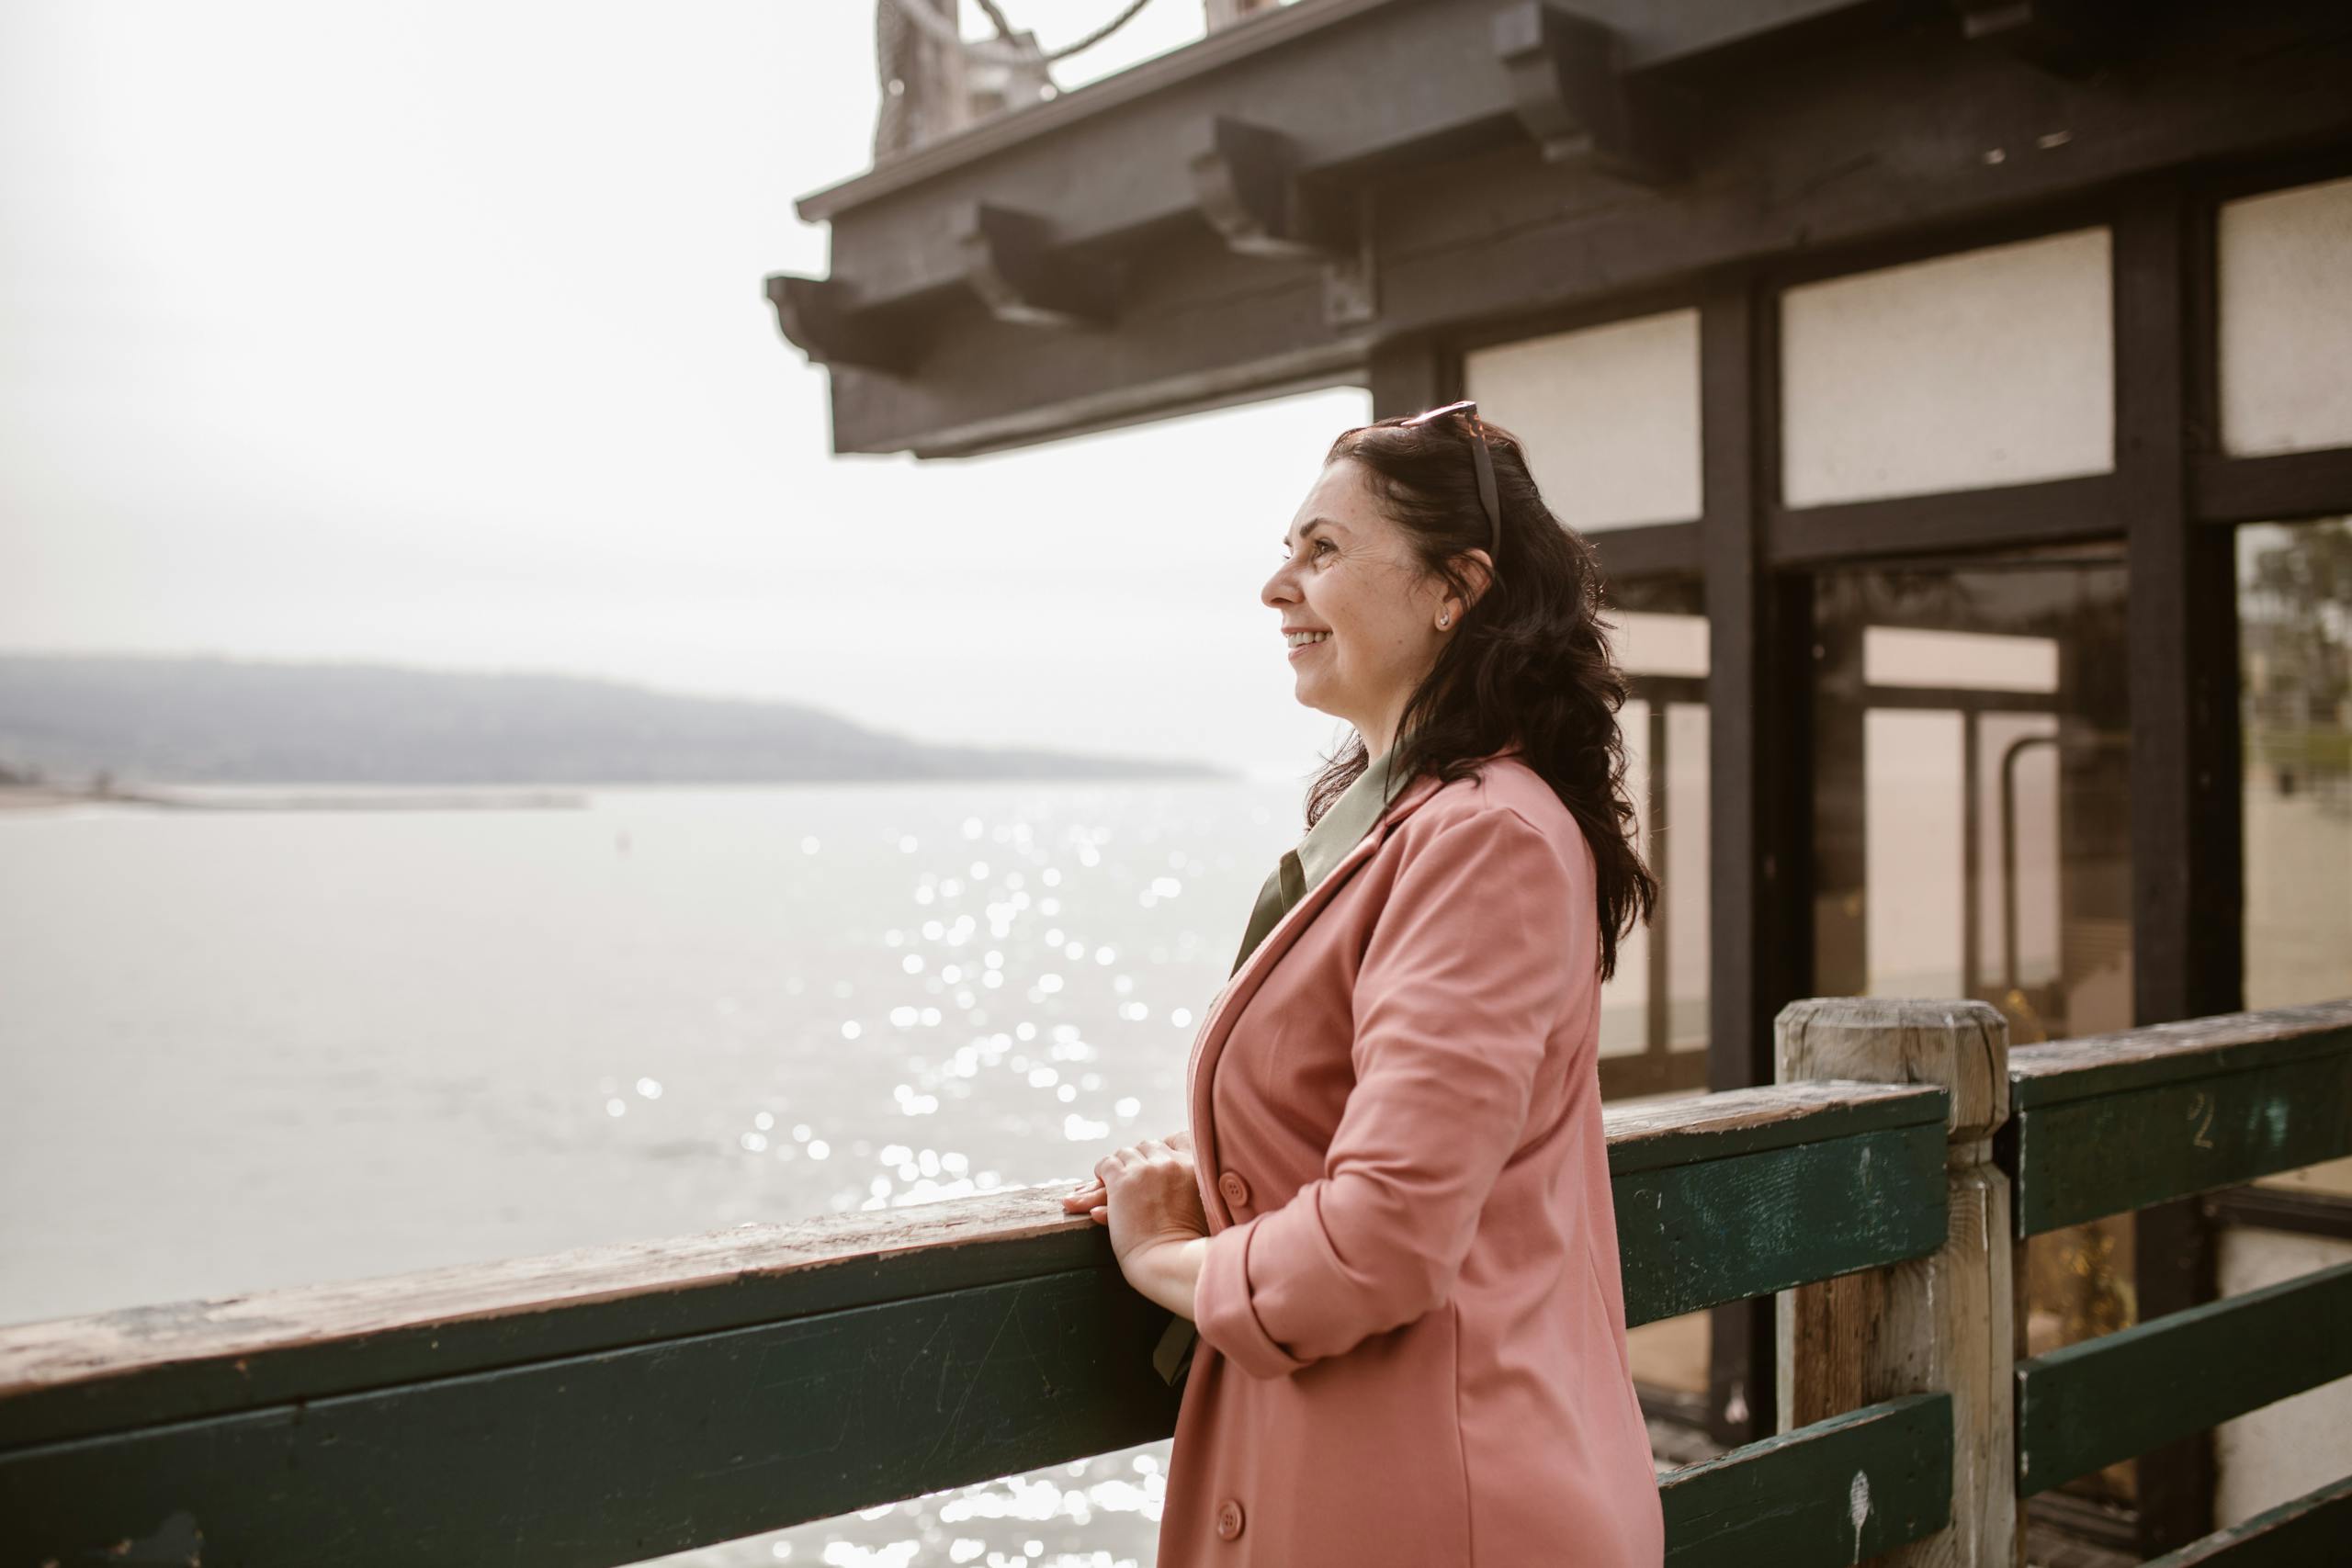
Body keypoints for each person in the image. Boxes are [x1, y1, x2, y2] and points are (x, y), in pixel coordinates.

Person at [1060, 402, 1666, 1565]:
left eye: (1323, 550)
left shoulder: (1480, 839)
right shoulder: (1420, 823)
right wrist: (1244, 1181)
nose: (1276, 586)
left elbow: (1382, 1238)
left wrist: (1165, 1259)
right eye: (1291, 548)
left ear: (1457, 587)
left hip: (1441, 1512)